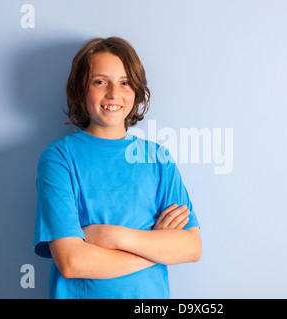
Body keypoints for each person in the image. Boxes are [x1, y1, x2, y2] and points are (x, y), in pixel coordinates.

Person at [33, 37, 201, 299]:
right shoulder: (59, 158)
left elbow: (191, 247)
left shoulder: (157, 158)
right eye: (100, 82)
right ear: (80, 89)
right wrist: (154, 248)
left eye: (125, 83)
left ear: (136, 91)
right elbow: (72, 261)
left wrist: (112, 236)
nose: (113, 93)